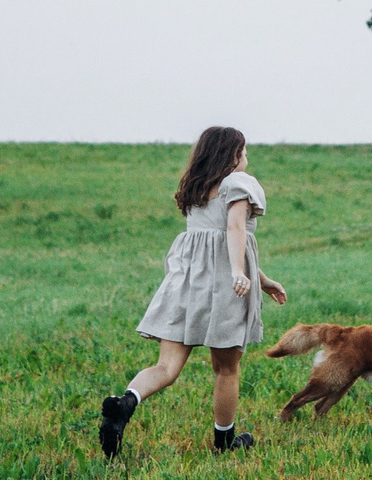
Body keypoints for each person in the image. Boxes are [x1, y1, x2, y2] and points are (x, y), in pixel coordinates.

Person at [99, 125, 288, 458]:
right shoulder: (238, 184)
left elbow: (214, 244)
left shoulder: (196, 189)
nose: (247, 157)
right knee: (226, 369)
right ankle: (224, 441)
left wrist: (261, 278)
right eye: (243, 151)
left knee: (166, 368)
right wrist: (239, 273)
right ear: (231, 156)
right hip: (223, 286)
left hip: (186, 284)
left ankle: (125, 403)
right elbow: (233, 230)